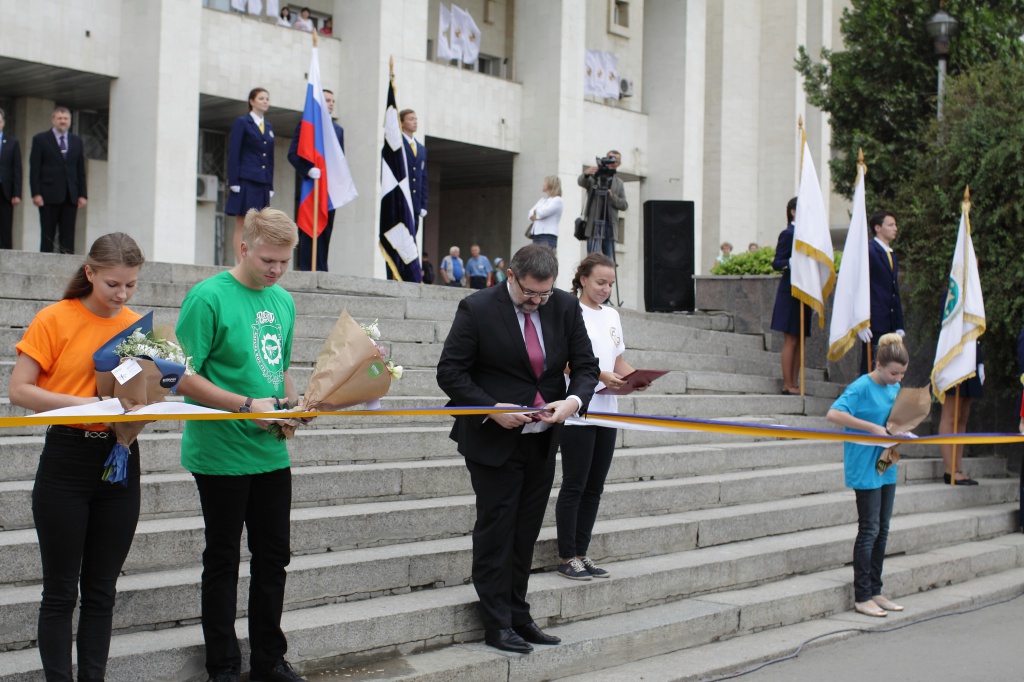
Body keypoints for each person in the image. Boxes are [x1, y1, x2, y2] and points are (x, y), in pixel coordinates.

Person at [436, 244, 600, 654]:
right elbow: (450, 372)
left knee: (526, 530)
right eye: (529, 292)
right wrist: (491, 410)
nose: (536, 301)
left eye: (544, 294)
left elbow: (586, 366)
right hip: (493, 441)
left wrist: (572, 403)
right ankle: (496, 622)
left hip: (543, 439)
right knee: (497, 529)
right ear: (510, 275)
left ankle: (519, 614)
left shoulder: (562, 306)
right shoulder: (477, 308)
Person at [9, 233, 146, 681]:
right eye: (112, 284)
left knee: (102, 590)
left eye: (129, 285)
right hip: (67, 458)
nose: (121, 295)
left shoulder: (135, 327)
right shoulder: (55, 319)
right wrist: (85, 406)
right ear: (89, 273)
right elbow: (19, 389)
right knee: (61, 592)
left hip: (120, 455)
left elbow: (152, 385)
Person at [175, 208, 304, 682]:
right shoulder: (207, 297)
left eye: (284, 262)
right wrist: (246, 404)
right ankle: (223, 665)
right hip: (220, 453)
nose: (275, 270)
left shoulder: (284, 301)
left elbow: (280, 366)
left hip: (271, 452)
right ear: (243, 247)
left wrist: (293, 403)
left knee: (274, 558)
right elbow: (179, 376)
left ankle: (269, 659)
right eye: (268, 259)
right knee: (223, 559)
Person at [556, 253, 640, 581]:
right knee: (575, 484)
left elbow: (619, 363)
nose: (605, 289)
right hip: (577, 410)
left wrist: (637, 378)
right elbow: (561, 361)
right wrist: (599, 375)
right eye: (600, 282)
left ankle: (581, 551)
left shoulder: (612, 315)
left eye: (610, 284)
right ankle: (566, 555)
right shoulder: (568, 311)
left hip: (607, 412)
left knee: (595, 486)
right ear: (583, 279)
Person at [826, 333, 910, 618]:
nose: (898, 378)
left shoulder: (893, 388)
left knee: (883, 528)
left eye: (902, 373)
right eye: (893, 373)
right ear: (879, 364)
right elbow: (834, 414)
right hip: (864, 463)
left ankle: (876, 589)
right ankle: (862, 595)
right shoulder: (862, 385)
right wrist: (871, 428)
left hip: (887, 461)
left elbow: (894, 418)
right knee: (869, 529)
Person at [287, 89, 344, 272]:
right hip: (312, 185)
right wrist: (307, 170)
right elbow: (293, 154)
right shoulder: (306, 126)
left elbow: (339, 160)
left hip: (329, 187)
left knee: (326, 229)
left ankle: (321, 268)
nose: (331, 104)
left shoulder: (338, 130)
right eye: (327, 100)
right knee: (309, 227)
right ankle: (306, 268)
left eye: (333, 101)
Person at [226, 88, 274, 265]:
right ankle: (240, 262)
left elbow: (270, 158)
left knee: (258, 225)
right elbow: (234, 152)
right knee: (242, 222)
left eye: (267, 98)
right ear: (251, 101)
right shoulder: (242, 122)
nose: (265, 101)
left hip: (262, 182)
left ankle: (253, 260)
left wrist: (271, 185)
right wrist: (234, 180)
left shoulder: (268, 127)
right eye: (261, 98)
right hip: (245, 179)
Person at [30, 106, 87, 254]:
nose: (63, 121)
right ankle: (45, 265)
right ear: (53, 120)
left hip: (70, 194)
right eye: (59, 118)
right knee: (48, 234)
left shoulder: (76, 141)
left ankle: (67, 267)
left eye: (66, 118)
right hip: (48, 194)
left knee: (68, 235)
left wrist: (82, 194)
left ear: (70, 121)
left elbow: (80, 169)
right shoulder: (40, 139)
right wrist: (36, 193)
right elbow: (34, 168)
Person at [770, 197, 811, 395]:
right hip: (790, 291)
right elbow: (777, 262)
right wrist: (792, 262)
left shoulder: (807, 236)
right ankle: (788, 384)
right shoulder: (788, 234)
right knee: (791, 340)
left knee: (801, 339)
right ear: (793, 212)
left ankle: (796, 382)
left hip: (805, 292)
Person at [861, 210, 905, 374]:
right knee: (871, 364)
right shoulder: (870, 251)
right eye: (891, 225)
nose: (895, 228)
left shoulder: (891, 255)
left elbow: (894, 291)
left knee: (888, 365)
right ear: (878, 228)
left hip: (889, 320)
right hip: (874, 319)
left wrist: (899, 324)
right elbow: (862, 286)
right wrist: (862, 320)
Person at [938, 344, 982, 485]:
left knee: (962, 417)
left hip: (970, 358)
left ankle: (958, 467)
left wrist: (980, 360)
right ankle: (950, 470)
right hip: (954, 356)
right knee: (950, 416)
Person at [577, 150, 627, 261]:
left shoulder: (619, 183)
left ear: (619, 164)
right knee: (592, 258)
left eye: (615, 160)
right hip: (594, 223)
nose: (612, 162)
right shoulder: (595, 177)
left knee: (609, 259)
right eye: (610, 158)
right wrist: (586, 174)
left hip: (610, 224)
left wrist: (612, 196)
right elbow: (581, 182)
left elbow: (624, 204)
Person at [400, 109, 428, 221]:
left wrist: (423, 203)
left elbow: (423, 177)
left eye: (416, 119)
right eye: (411, 119)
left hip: (415, 204)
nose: (415, 122)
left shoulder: (420, 148)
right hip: (400, 203)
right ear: (402, 123)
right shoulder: (397, 145)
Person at [0, 108, 22, 249]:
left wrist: (17, 193)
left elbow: (17, 169)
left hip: (5, 191)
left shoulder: (12, 143)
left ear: (3, 122)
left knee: (5, 225)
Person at [528, 175, 563, 251]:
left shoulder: (557, 200)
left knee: (545, 259)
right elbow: (530, 213)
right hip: (537, 234)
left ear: (551, 184)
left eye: (545, 182)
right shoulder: (542, 200)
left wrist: (536, 214)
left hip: (547, 236)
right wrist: (535, 214)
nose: (543, 184)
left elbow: (543, 212)